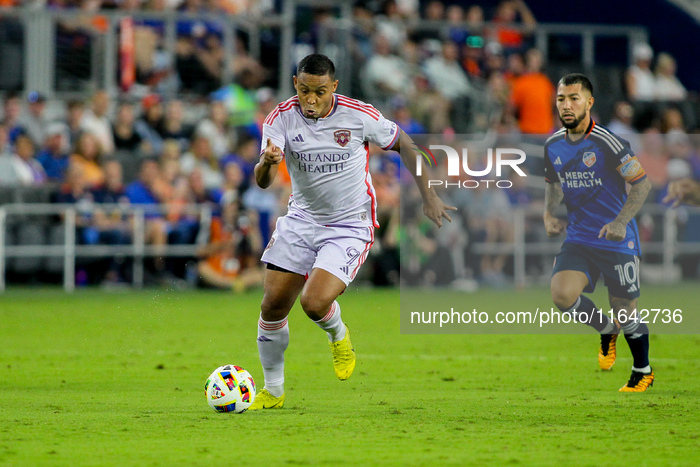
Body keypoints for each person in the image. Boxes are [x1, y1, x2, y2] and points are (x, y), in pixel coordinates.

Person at [250, 54, 455, 409]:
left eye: (319, 92)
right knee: (272, 308)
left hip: (349, 225)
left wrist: (428, 195)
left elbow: (405, 144)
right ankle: (274, 391)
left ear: (334, 87)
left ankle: (338, 334)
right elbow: (264, 182)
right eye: (303, 90)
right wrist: (266, 163)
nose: (310, 100)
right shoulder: (280, 118)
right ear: (295, 84)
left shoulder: (359, 115)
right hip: (301, 221)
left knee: (313, 303)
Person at [543, 73, 654, 392]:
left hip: (617, 239)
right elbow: (552, 183)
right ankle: (606, 330)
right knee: (562, 295)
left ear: (589, 103)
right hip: (579, 237)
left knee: (626, 310)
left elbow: (642, 183)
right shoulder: (553, 145)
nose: (566, 105)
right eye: (561, 99)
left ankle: (642, 370)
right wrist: (549, 213)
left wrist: (620, 222)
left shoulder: (609, 142)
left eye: (574, 98)